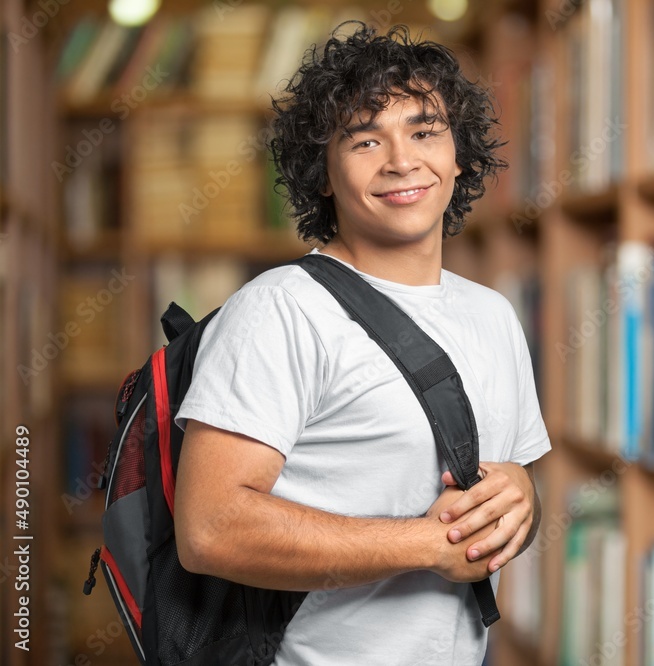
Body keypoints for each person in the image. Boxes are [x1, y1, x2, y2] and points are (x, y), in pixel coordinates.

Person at [172, 22, 549, 666]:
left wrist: (524, 503)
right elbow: (208, 530)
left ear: (460, 155)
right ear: (322, 173)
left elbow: (505, 505)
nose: (402, 161)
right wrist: (427, 545)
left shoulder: (493, 316)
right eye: (366, 139)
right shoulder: (280, 311)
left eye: (425, 132)